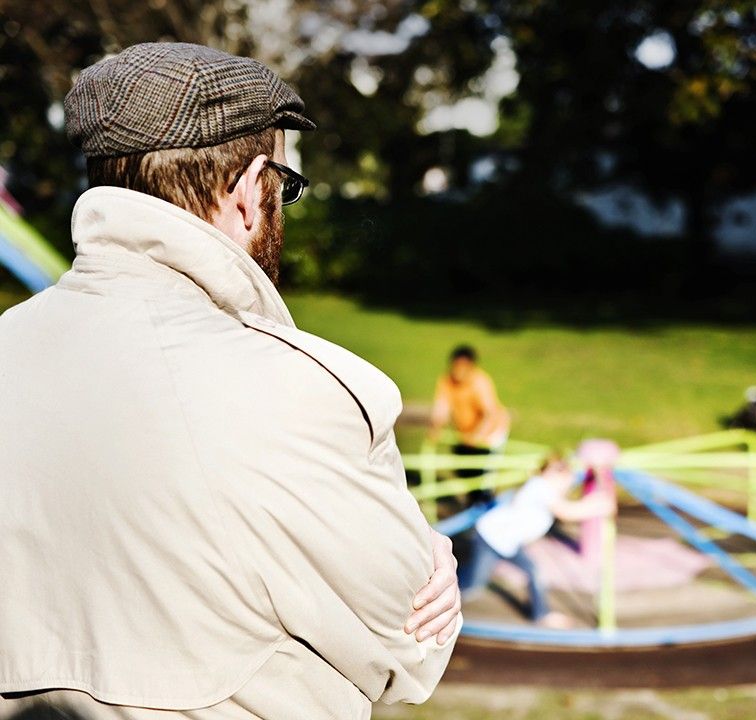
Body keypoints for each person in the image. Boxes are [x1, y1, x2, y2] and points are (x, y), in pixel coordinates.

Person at [0, 43, 460, 720]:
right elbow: (405, 645)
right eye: (284, 186)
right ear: (247, 189)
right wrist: (427, 556)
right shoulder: (302, 392)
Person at [459, 457, 616, 628]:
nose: (565, 481)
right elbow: (566, 512)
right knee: (473, 585)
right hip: (490, 540)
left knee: (534, 571)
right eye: (559, 473)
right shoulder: (540, 487)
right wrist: (599, 506)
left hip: (507, 543)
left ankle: (542, 615)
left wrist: (596, 491)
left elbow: (567, 505)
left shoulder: (547, 491)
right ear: (547, 473)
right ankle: (441, 595)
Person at [429, 345, 511, 500]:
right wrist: (435, 427)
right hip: (466, 435)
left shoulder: (480, 382)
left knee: (484, 475)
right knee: (462, 468)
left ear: (471, 366)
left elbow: (490, 414)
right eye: (456, 366)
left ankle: (484, 504)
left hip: (490, 434)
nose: (459, 371)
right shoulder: (446, 381)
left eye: (463, 366)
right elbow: (441, 407)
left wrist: (477, 436)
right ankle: (472, 501)